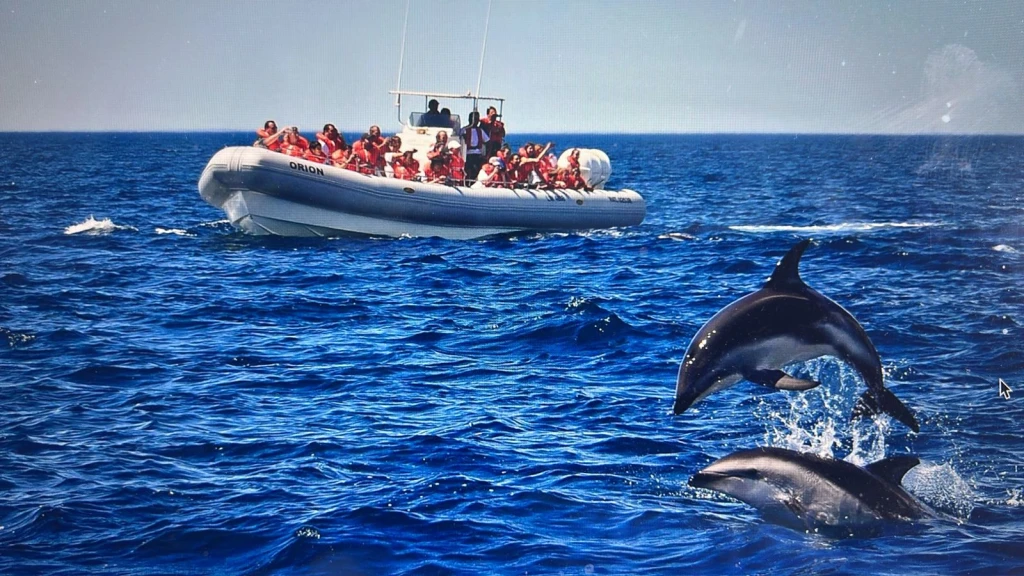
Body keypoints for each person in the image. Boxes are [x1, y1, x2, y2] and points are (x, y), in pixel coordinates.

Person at [462, 110, 489, 183]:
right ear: (469, 119)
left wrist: (487, 154)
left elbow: (487, 141)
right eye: (474, 119)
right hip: (467, 154)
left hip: (477, 154)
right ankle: (466, 183)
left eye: (477, 119)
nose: (476, 121)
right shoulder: (464, 130)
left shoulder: (480, 130)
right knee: (468, 171)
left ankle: (474, 184)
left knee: (476, 171)